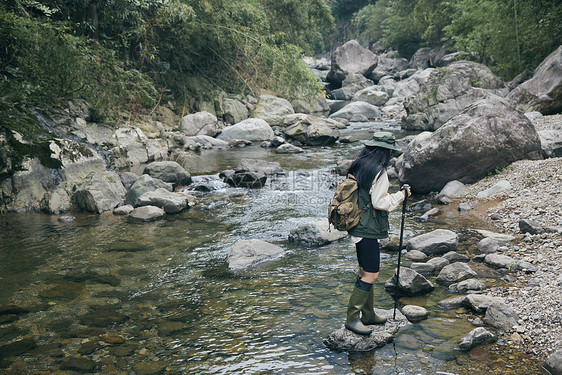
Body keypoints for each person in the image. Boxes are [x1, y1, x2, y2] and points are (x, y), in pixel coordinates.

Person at [344, 131, 411, 335]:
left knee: (364, 271)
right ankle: (352, 319)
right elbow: (379, 203)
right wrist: (401, 195)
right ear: (386, 151)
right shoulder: (379, 171)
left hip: (355, 224)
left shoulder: (358, 165)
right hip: (368, 229)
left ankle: (369, 314)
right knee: (371, 275)